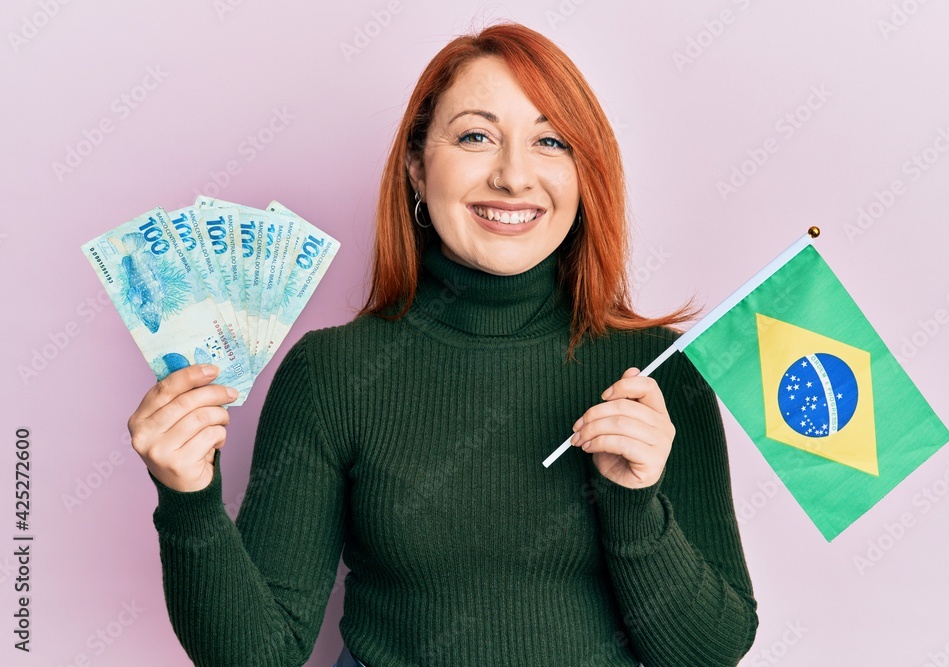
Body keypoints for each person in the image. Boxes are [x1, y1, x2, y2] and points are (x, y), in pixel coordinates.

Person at [128, 21, 758, 667]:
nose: (514, 176)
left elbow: (708, 653)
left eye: (550, 140)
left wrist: (633, 501)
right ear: (416, 168)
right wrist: (188, 498)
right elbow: (259, 657)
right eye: (476, 136)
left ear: (585, 174)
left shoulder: (657, 372)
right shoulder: (330, 372)